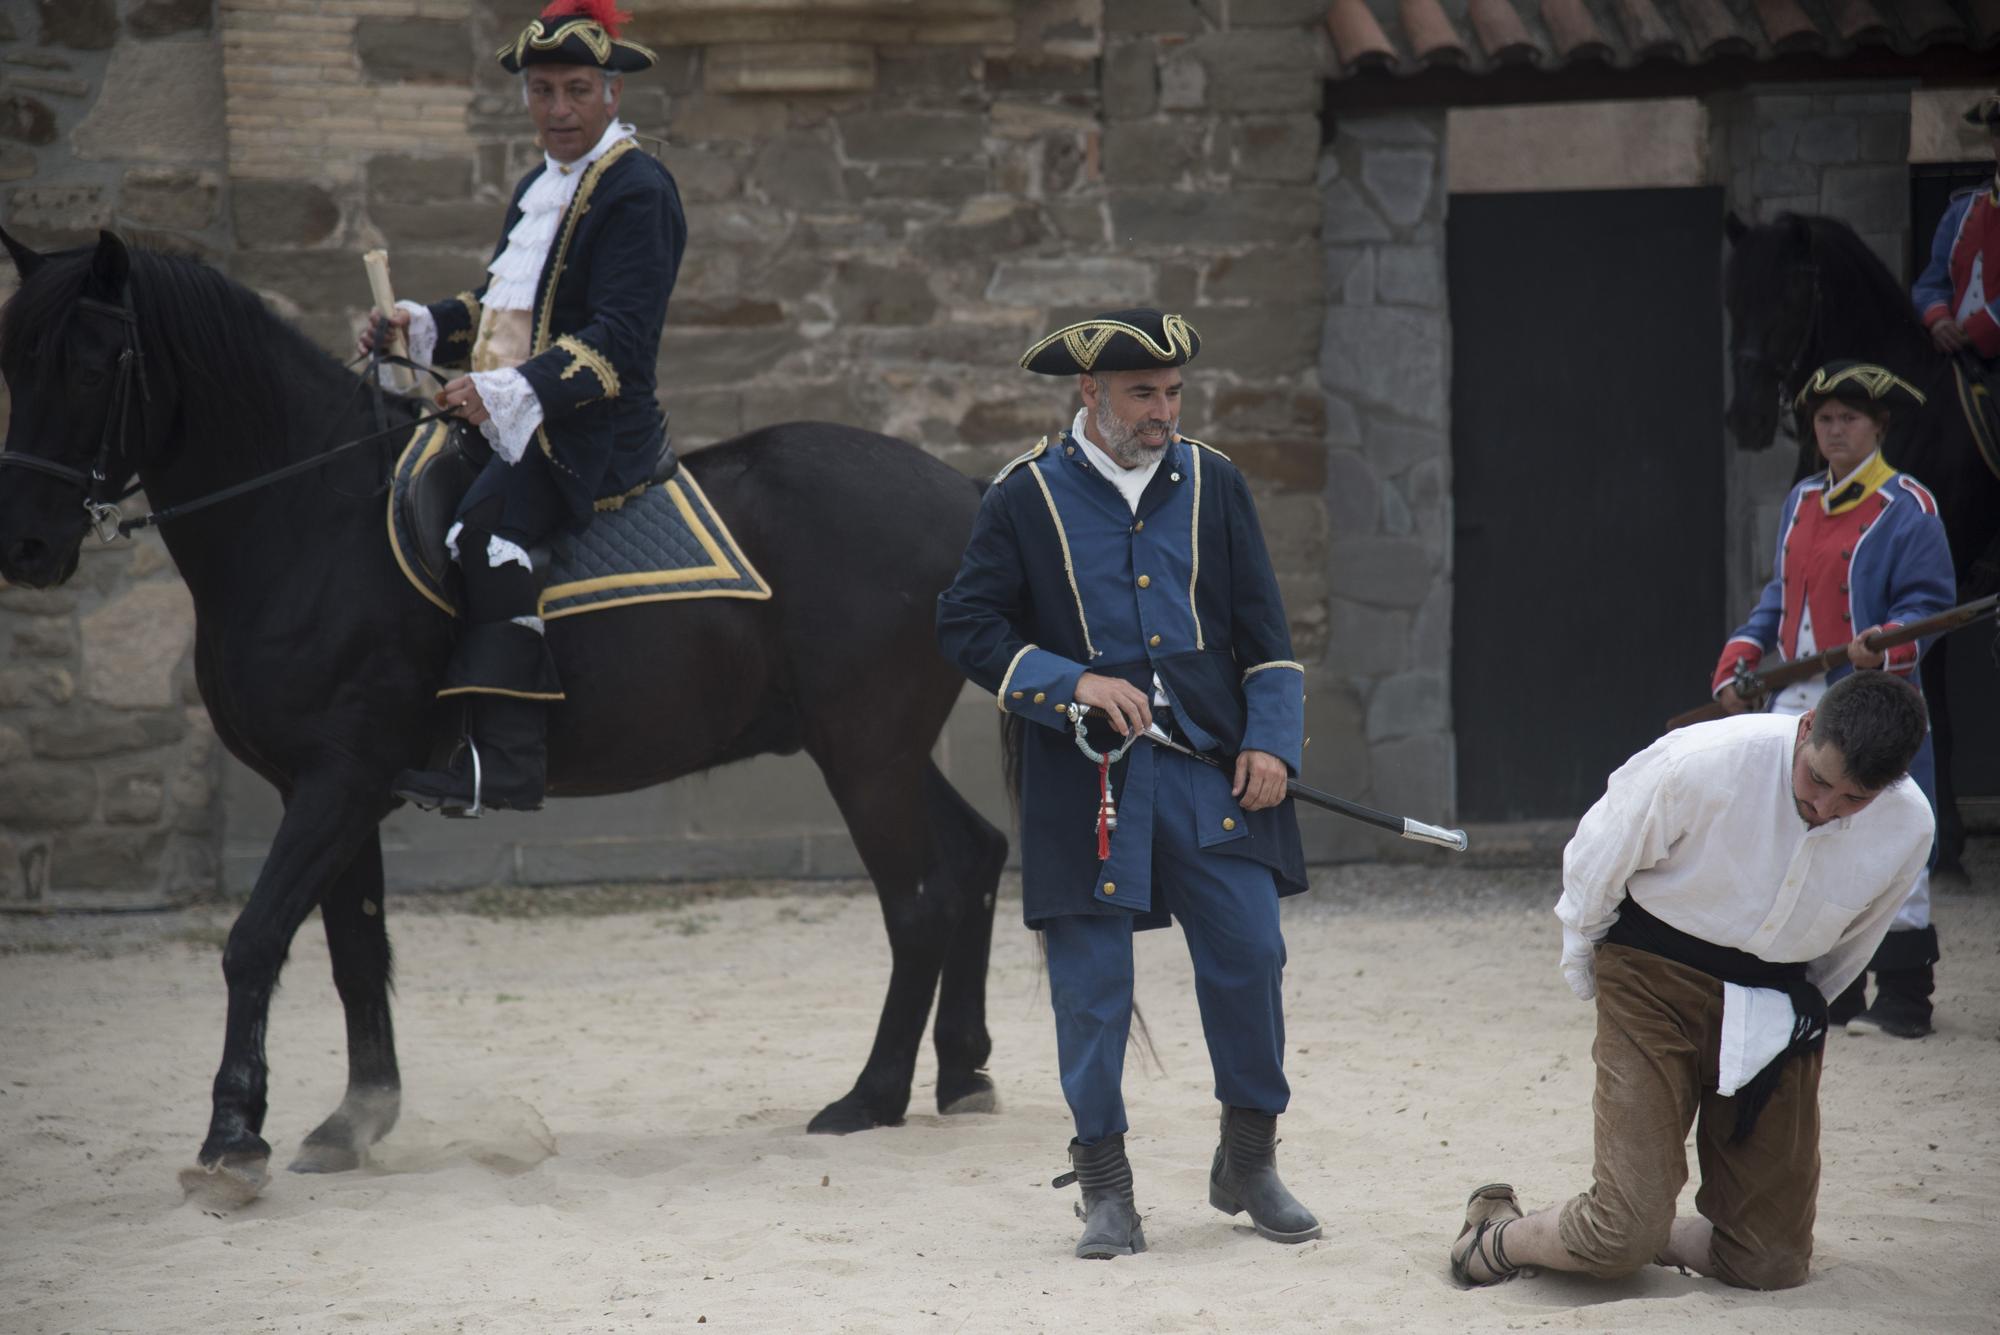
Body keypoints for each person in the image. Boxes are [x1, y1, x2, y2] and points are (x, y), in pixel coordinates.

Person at [936, 309, 1319, 1259]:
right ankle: (1105, 1187)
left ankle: (1249, 1158)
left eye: (1174, 392)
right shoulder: (1023, 494)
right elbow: (968, 627)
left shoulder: (1216, 481)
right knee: (1093, 989)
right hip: (1086, 779)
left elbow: (1267, 636)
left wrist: (1272, 743)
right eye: (1143, 393)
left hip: (1207, 772)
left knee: (1251, 950)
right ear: (1090, 393)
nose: (1164, 411)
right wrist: (1072, 682)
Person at [1450, 670, 1933, 1292]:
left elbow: (1850, 948)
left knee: (1769, 1265)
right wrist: (1590, 969)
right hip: (1652, 977)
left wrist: (1796, 1025)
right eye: (1817, 779)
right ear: (1807, 727)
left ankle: (1645, 1231)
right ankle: (1496, 1234)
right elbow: (1596, 860)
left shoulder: (1908, 826)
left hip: (1775, 1002)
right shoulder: (1701, 762)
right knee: (1619, 1232)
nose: (1824, 807)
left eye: (1853, 801)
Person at [360, 0, 686, 815]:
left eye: (577, 89)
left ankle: (506, 760)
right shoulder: (540, 186)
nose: (559, 110)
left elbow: (616, 342)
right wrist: (424, 323)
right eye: (543, 92)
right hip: (507, 412)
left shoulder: (638, 190)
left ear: (613, 94)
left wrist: (506, 390)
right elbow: (507, 307)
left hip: (590, 431)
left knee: (481, 533)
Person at [1710, 361, 1954, 1038]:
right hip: (1797, 700)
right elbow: (1778, 599)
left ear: (1878, 425)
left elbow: (1929, 608)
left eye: (1849, 418)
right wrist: (1741, 657)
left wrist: (1886, 646)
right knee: (1796, 834)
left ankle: (1905, 992)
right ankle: (1823, 985)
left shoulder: (1911, 507)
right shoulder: (1799, 502)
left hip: (1874, 701)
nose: (1835, 429)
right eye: (1824, 419)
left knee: (1887, 830)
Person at [1912, 90, 2000, 361]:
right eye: (1998, 132)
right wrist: (1939, 321)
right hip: (1958, 358)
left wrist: (1977, 330)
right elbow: (1932, 282)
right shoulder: (1961, 210)